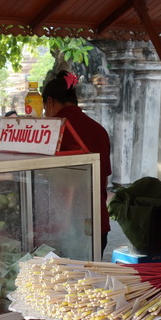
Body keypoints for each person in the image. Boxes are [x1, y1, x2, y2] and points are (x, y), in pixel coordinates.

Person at [41, 70, 112, 254]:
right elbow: (103, 179)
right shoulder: (99, 130)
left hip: (66, 228)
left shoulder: (52, 130)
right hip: (97, 223)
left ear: (49, 102)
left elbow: (53, 183)